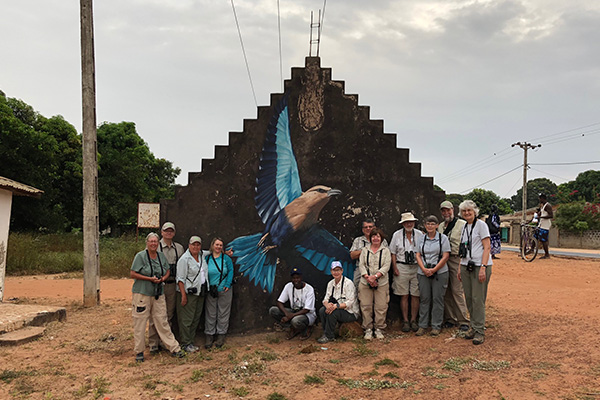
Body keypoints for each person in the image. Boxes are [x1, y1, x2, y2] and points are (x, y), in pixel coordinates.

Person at [130, 233, 185, 362]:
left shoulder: (160, 256)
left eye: (155, 242)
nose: (153, 244)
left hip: (158, 293)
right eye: (151, 242)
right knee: (140, 322)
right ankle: (139, 351)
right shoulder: (141, 256)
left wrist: (163, 279)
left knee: (162, 320)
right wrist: (149, 279)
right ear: (147, 243)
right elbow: (133, 273)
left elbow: (167, 270)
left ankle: (173, 347)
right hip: (142, 293)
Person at [458, 200, 492, 345]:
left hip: (479, 265)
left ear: (475, 212)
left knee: (478, 299)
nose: (467, 213)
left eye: (469, 210)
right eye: (464, 211)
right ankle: (473, 326)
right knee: (469, 298)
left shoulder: (481, 225)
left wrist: (483, 267)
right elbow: (462, 249)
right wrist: (460, 267)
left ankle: (479, 331)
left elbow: (487, 247)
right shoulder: (465, 227)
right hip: (467, 265)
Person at [148, 222, 185, 353]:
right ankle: (153, 343)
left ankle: (165, 342)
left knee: (168, 314)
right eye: (166, 231)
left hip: (172, 284)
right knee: (155, 315)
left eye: (171, 231)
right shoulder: (156, 247)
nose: (168, 233)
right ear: (162, 232)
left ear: (174, 233)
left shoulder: (179, 248)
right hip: (157, 285)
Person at [415, 215, 451, 336]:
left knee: (438, 299)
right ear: (425, 226)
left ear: (437, 225)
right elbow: (418, 255)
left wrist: (434, 269)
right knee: (424, 299)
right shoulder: (421, 239)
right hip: (423, 271)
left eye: (432, 224)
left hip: (439, 272)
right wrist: (424, 269)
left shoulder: (443, 238)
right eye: (428, 224)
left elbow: (446, 256)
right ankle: (422, 325)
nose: (430, 226)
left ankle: (436, 325)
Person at [389, 212, 424, 333]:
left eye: (411, 222)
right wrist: (394, 268)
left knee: (415, 294)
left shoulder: (419, 234)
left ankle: (414, 320)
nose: (409, 224)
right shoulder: (397, 235)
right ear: (403, 223)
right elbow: (392, 252)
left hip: (416, 266)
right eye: (407, 222)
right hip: (401, 266)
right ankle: (405, 320)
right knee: (404, 295)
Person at [438, 201, 470, 331]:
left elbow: (466, 244)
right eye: (444, 211)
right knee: (446, 291)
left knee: (457, 290)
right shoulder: (440, 226)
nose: (446, 213)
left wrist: (463, 262)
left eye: (448, 210)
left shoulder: (462, 225)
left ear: (453, 210)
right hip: (442, 259)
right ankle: (451, 318)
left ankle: (463, 320)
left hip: (457, 258)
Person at [176, 236, 208, 353]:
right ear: (189, 245)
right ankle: (185, 343)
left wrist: (225, 252)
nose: (196, 247)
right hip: (188, 293)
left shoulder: (201, 255)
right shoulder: (184, 259)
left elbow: (213, 250)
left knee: (195, 318)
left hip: (200, 292)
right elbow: (180, 279)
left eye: (198, 245)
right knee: (186, 320)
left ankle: (191, 341)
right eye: (193, 244)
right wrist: (183, 295)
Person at [358, 227, 391, 340]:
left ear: (381, 238)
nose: (375, 238)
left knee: (381, 306)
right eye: (373, 236)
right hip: (365, 282)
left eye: (378, 236)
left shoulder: (386, 251)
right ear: (370, 238)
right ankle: (367, 329)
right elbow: (361, 265)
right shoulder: (365, 250)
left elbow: (387, 266)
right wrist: (367, 277)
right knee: (365, 305)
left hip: (381, 282)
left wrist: (376, 277)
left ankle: (379, 328)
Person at [317, 261, 360, 344]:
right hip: (338, 309)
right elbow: (325, 299)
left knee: (333, 312)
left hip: (350, 312)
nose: (336, 272)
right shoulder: (330, 284)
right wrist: (327, 305)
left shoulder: (348, 283)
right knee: (322, 310)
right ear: (331, 271)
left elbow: (350, 302)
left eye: (338, 270)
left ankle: (329, 336)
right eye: (334, 270)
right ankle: (326, 332)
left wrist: (336, 306)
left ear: (342, 271)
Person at [269, 267, 316, 340]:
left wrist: (290, 316)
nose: (296, 280)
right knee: (273, 310)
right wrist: (287, 314)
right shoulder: (289, 286)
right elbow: (279, 302)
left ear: (301, 277)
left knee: (296, 321)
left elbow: (306, 310)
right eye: (294, 278)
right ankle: (292, 328)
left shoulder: (309, 289)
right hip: (294, 311)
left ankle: (307, 328)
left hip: (307, 315)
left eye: (298, 278)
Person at [204, 237, 234, 349]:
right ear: (212, 245)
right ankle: (209, 335)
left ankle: (221, 334)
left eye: (221, 245)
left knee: (223, 312)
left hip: (224, 290)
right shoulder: (207, 259)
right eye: (217, 245)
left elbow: (231, 271)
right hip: (211, 290)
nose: (218, 247)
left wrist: (227, 284)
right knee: (210, 313)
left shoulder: (226, 258)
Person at [349, 218, 388, 296]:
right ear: (363, 229)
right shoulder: (358, 240)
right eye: (366, 227)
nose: (368, 229)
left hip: (378, 270)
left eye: (370, 227)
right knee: (356, 290)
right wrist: (367, 251)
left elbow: (387, 256)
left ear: (374, 228)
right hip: (361, 269)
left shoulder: (383, 240)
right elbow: (352, 255)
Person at [537, 193, 553, 259]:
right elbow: (539, 214)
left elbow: (551, 215)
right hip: (541, 224)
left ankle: (547, 254)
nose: (539, 200)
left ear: (543, 199)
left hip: (545, 225)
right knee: (536, 235)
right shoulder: (542, 206)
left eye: (540, 199)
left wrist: (541, 217)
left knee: (544, 240)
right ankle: (532, 249)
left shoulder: (548, 206)